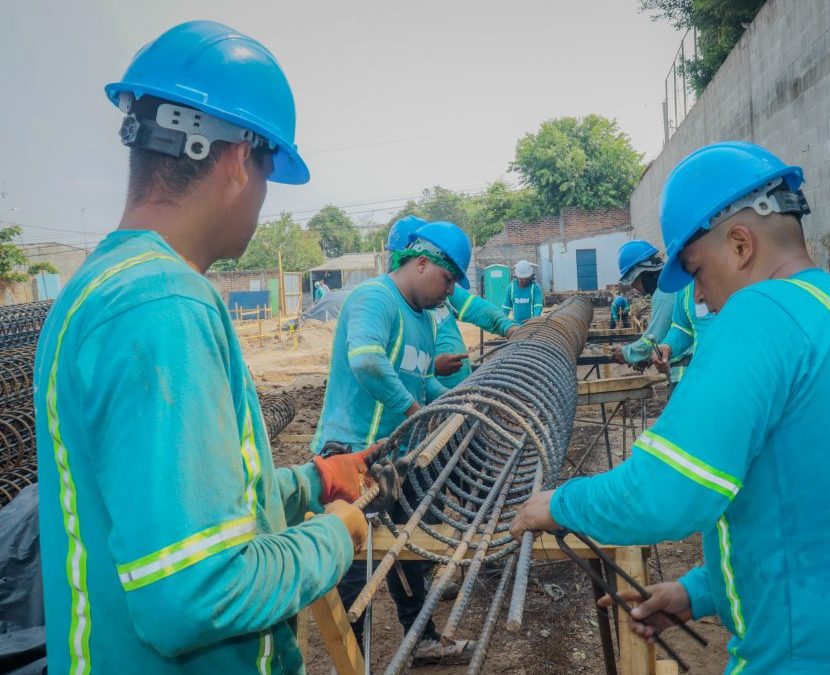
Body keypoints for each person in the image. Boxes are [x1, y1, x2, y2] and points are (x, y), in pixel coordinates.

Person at [511, 141, 830, 674]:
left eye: (697, 271)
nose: (700, 300)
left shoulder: (760, 313)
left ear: (741, 244)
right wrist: (697, 591)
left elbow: (664, 493)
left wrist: (560, 504)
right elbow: (825, 513)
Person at [33, 21, 370, 674]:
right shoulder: (164, 305)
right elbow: (192, 595)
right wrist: (335, 535)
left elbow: (177, 501)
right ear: (241, 157)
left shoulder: (100, 288)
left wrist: (313, 480)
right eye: (271, 172)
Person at [311, 220, 475, 662]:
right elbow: (366, 361)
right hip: (354, 457)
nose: (450, 291)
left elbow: (422, 385)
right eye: (448, 279)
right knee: (353, 566)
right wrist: (413, 411)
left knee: (407, 550)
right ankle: (351, 662)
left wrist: (463, 404)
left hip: (396, 458)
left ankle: (419, 638)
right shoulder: (374, 298)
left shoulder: (422, 320)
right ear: (422, 263)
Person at [383, 217, 519, 388]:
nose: (450, 289)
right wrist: (434, 368)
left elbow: (477, 308)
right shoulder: (389, 302)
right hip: (428, 401)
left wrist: (508, 327)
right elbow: (386, 367)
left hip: (458, 392)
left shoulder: (443, 289)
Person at [610, 240, 675, 367]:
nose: (633, 285)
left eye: (633, 279)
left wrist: (626, 352)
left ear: (644, 273)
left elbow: (655, 338)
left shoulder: (664, 294)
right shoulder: (668, 287)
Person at [650, 281, 715, 394]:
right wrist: (669, 346)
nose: (697, 296)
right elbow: (683, 326)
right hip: (703, 379)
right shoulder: (686, 285)